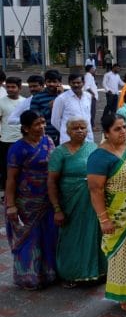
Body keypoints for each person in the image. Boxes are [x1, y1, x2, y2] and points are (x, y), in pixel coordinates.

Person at [88, 114, 126, 312]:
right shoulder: (99, 157)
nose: (123, 131)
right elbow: (95, 190)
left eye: (124, 127)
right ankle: (124, 295)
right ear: (106, 133)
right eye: (117, 129)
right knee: (122, 255)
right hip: (119, 214)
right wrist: (104, 219)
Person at [47, 117, 106, 288]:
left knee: (93, 234)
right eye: (75, 128)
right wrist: (57, 208)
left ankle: (96, 272)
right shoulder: (60, 152)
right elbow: (51, 182)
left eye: (83, 127)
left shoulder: (93, 148)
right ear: (67, 131)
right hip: (70, 201)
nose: (80, 131)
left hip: (92, 200)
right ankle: (71, 273)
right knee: (71, 237)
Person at [4, 110, 57, 290]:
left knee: (48, 236)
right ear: (26, 128)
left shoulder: (48, 141)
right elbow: (11, 179)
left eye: (43, 122)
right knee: (29, 239)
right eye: (37, 124)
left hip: (47, 199)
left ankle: (48, 273)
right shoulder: (18, 149)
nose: (42, 126)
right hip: (26, 203)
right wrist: (11, 205)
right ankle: (28, 276)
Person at [51, 73, 94, 145]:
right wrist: (68, 131)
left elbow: (88, 117)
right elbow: (55, 120)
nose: (76, 85)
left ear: (83, 83)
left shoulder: (88, 96)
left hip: (87, 138)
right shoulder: (61, 98)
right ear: (69, 83)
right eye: (73, 83)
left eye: (78, 82)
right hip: (69, 140)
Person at [0, 77, 24, 192]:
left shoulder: (25, 102)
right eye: (8, 87)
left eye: (13, 87)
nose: (10, 89)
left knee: (22, 168)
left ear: (19, 88)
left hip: (22, 140)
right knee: (7, 169)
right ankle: (7, 194)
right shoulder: (1, 102)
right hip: (6, 141)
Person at [30, 69, 62, 145]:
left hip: (64, 135)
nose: (51, 84)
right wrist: (49, 108)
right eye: (49, 81)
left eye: (54, 82)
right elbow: (33, 118)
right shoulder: (37, 97)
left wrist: (60, 96)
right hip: (46, 136)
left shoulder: (66, 95)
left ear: (60, 83)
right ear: (45, 82)